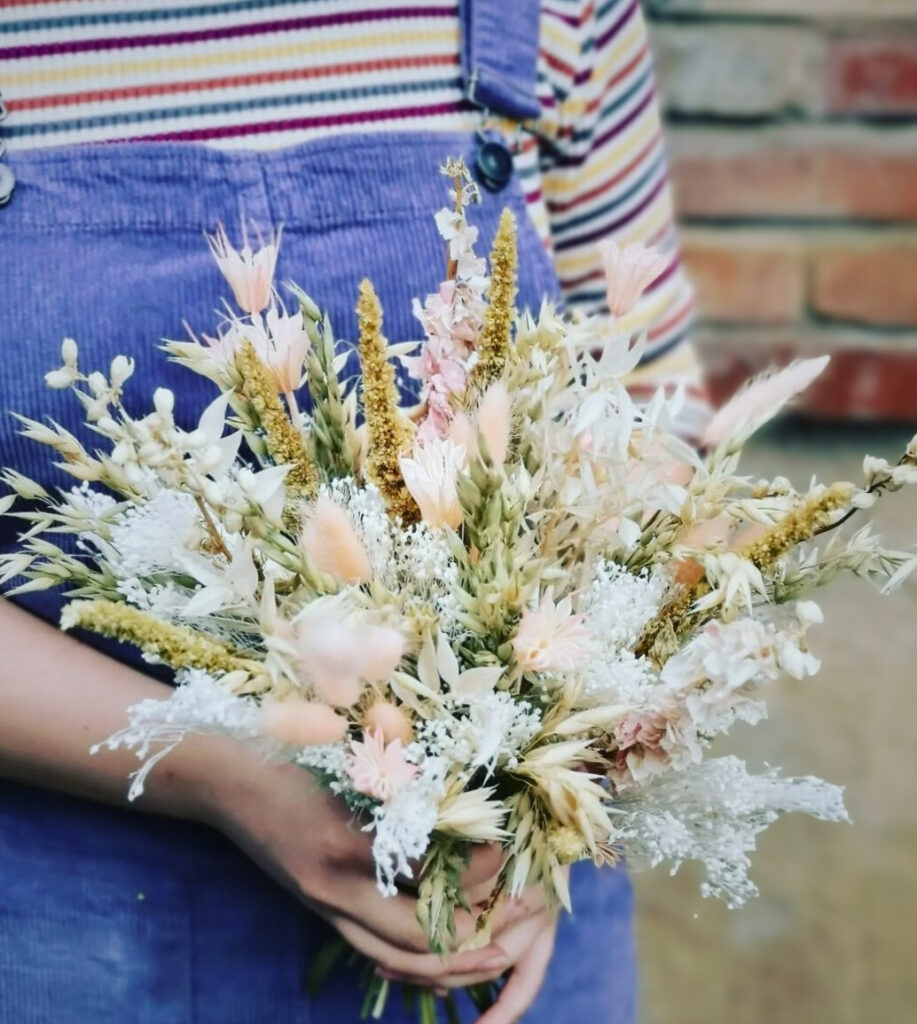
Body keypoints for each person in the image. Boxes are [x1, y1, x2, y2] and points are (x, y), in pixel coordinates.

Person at [0, 2, 704, 1021]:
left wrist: (533, 784)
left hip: (506, 927)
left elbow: (663, 425)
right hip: (76, 934)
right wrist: (229, 771)